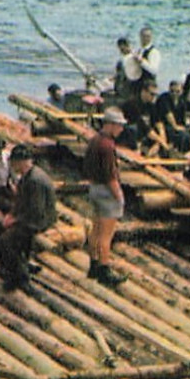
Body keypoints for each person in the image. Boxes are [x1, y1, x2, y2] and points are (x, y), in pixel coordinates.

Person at [0, 144, 56, 292]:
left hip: (37, 220)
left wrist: (14, 220)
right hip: (29, 216)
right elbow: (21, 201)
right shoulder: (27, 176)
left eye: (14, 162)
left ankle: (20, 276)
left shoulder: (34, 180)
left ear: (21, 161)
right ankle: (14, 268)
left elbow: (36, 210)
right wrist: (11, 215)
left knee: (5, 241)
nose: (12, 166)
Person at [83, 109, 128, 286]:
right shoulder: (108, 145)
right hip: (106, 191)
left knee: (95, 229)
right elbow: (111, 176)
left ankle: (93, 264)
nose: (121, 129)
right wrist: (119, 196)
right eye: (119, 125)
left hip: (94, 187)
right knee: (106, 235)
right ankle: (104, 269)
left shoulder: (95, 140)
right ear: (110, 125)